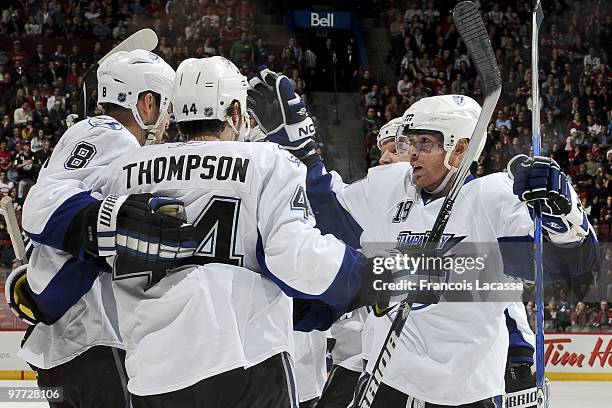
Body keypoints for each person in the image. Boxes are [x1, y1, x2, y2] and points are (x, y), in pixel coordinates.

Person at [92, 57, 405, 408]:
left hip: (152, 369)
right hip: (243, 361)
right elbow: (296, 258)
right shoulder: (266, 160)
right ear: (236, 110)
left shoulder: (123, 170)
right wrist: (373, 277)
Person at [256, 87, 598, 406]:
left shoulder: (491, 198)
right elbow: (327, 212)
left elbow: (559, 269)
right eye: (411, 141)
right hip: (386, 381)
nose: (413, 152)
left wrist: (564, 217)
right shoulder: (392, 186)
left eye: (426, 143)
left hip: (465, 392)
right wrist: (301, 148)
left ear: (461, 148)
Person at [13, 50, 192, 408]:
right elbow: (42, 206)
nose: (169, 118)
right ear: (147, 102)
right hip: (95, 341)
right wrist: (106, 223)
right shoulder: (110, 134)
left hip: (70, 349)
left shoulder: (104, 140)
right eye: (166, 105)